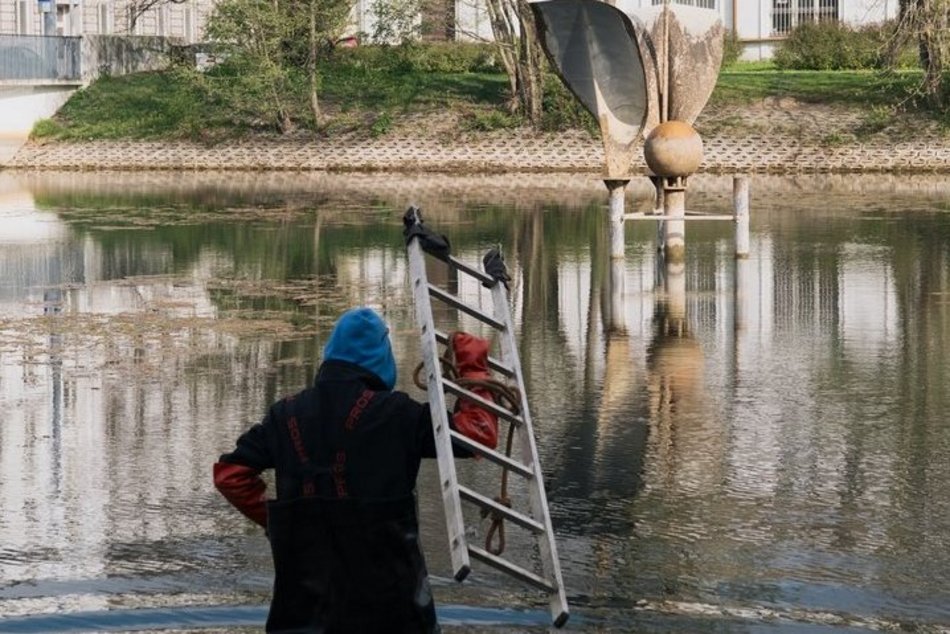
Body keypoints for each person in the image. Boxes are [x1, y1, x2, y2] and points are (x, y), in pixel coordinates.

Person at [213, 306, 499, 633]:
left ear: (330, 354)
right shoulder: (397, 415)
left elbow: (230, 475)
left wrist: (281, 522)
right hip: (393, 615)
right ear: (381, 358)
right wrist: (473, 369)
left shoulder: (285, 415)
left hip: (300, 616)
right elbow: (478, 433)